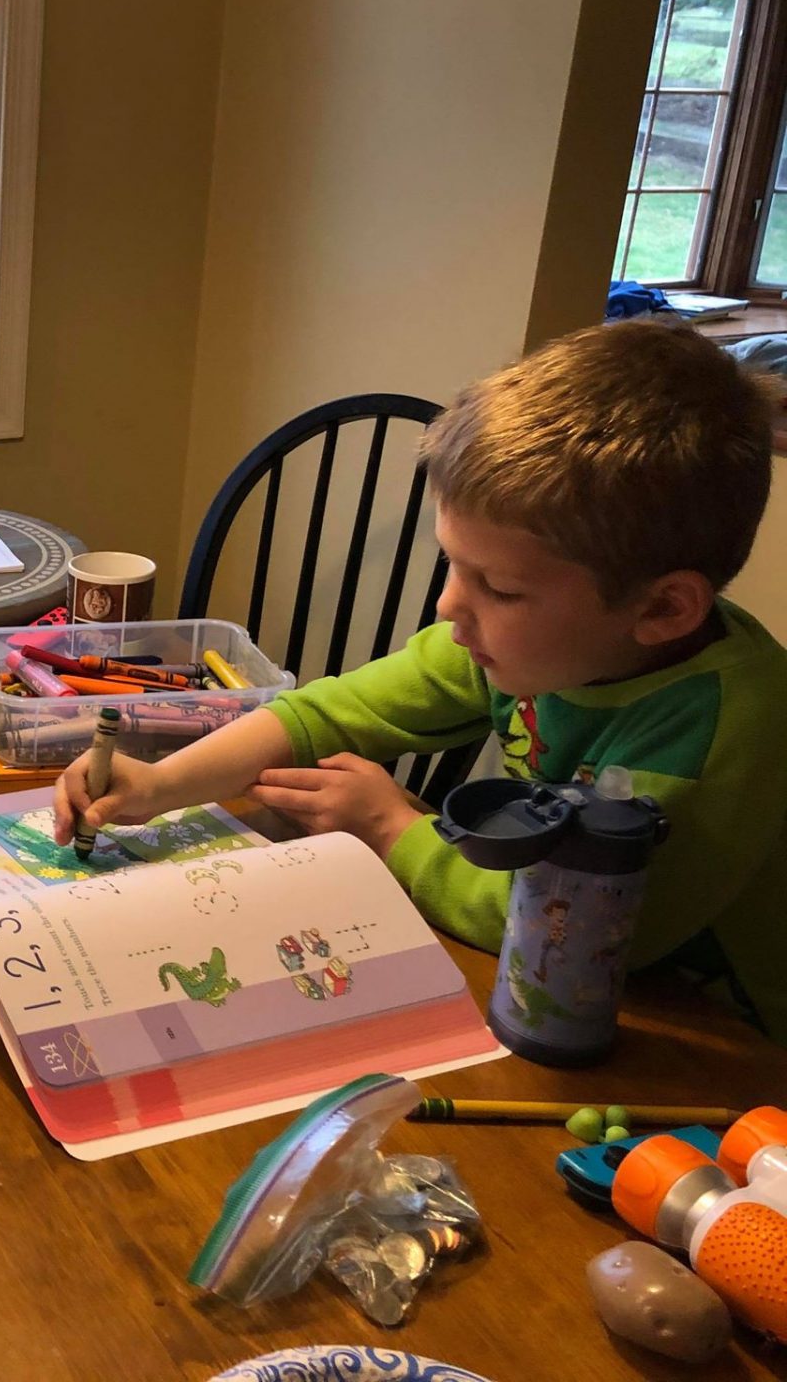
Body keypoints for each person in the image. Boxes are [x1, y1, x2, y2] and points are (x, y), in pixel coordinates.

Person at [55, 321, 787, 1033]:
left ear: (661, 608)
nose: (449, 606)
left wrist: (391, 827)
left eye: (499, 587)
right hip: (567, 996)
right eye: (452, 565)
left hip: (725, 1049)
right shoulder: (520, 645)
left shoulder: (723, 732)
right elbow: (325, 714)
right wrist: (159, 786)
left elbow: (563, 935)